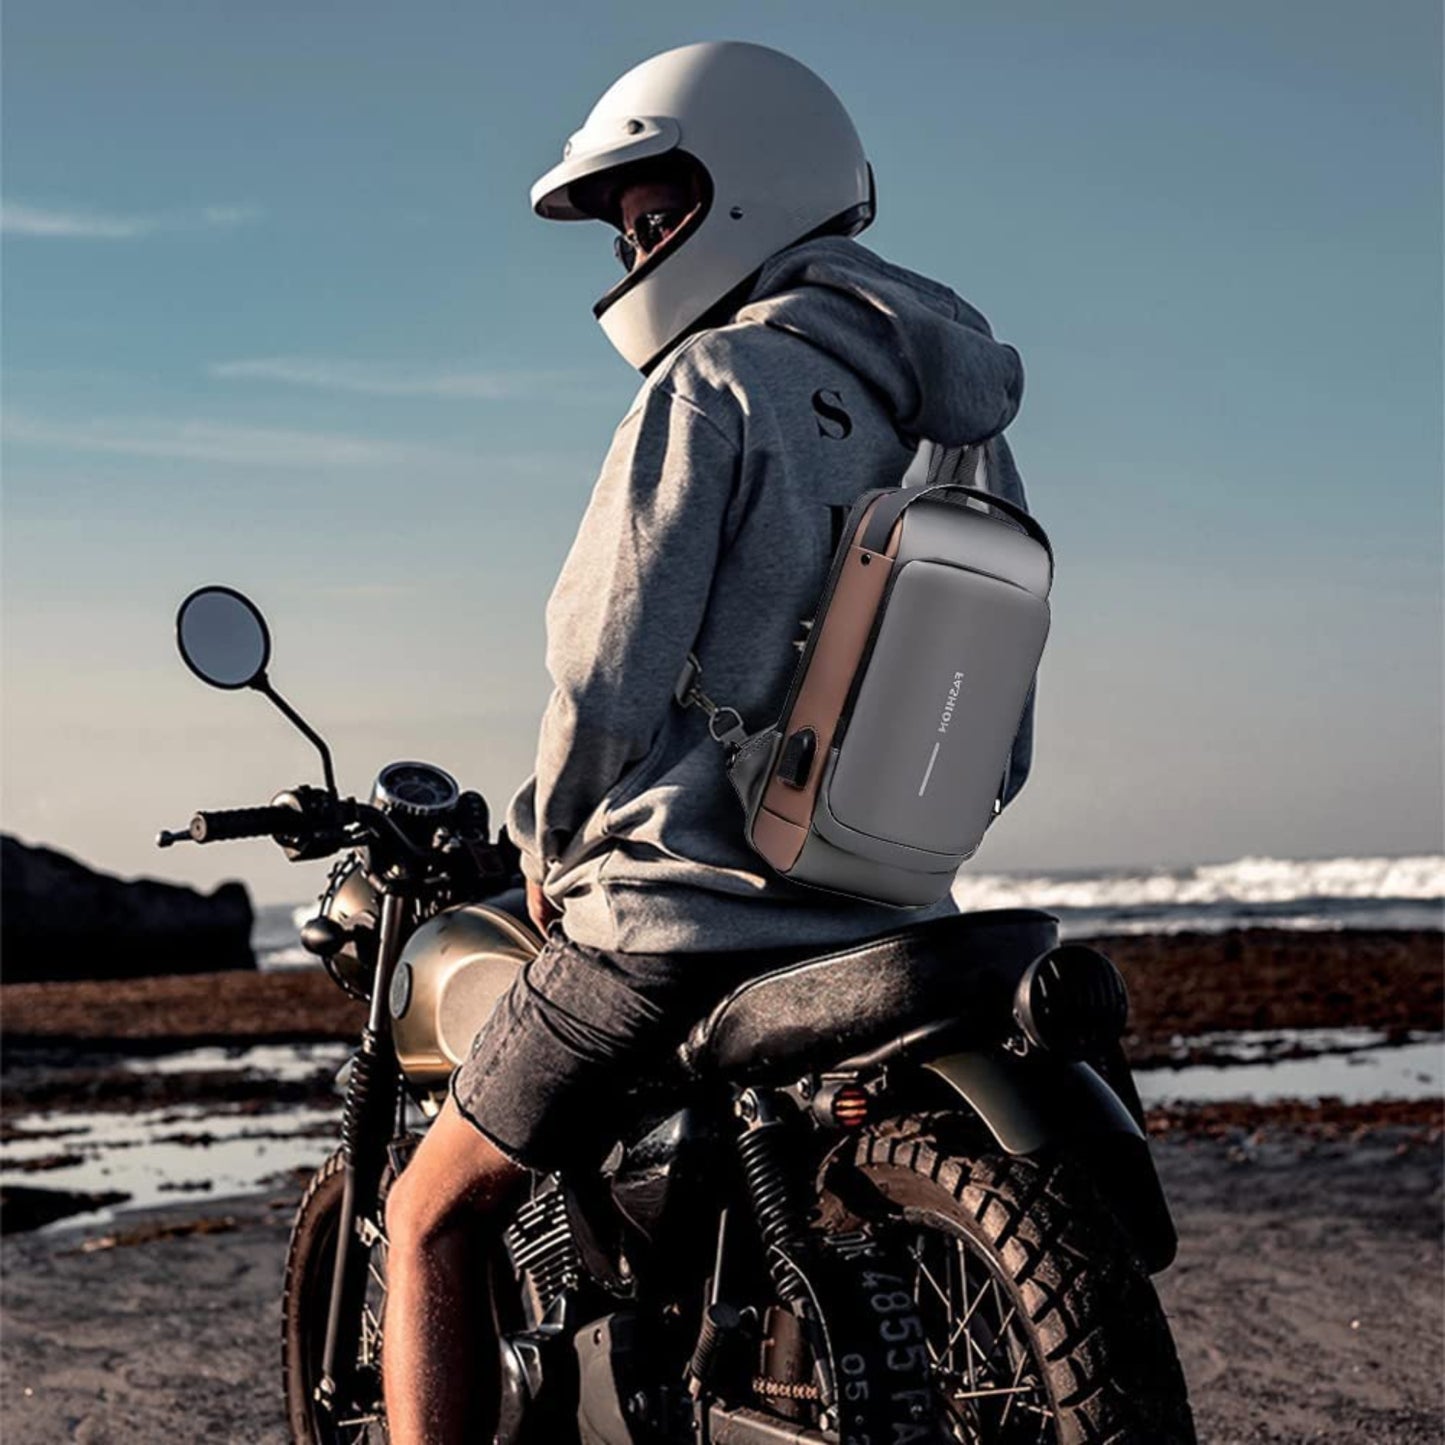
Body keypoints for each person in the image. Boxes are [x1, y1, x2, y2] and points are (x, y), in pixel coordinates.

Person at [381, 40, 1034, 1442]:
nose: (630, 244)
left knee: (426, 1216)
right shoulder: (958, 428)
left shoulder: (714, 385)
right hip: (889, 917)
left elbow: (600, 665)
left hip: (679, 919)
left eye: (651, 208)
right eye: (622, 223)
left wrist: (552, 847)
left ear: (747, 185)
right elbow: (999, 725)